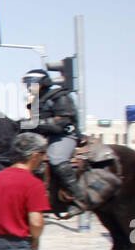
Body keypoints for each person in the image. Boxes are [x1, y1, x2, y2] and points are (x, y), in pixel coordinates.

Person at [22, 69, 87, 212]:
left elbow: (62, 122)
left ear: (42, 83)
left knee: (56, 158)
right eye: (26, 84)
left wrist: (34, 124)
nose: (28, 88)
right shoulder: (37, 101)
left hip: (63, 135)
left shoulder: (59, 97)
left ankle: (79, 199)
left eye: (30, 84)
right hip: (44, 137)